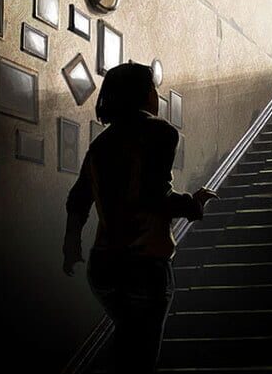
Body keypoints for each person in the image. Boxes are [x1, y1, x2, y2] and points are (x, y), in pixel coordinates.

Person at [62, 62, 216, 373]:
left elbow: (78, 199)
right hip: (144, 266)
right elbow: (154, 195)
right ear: (146, 94)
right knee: (142, 358)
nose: (157, 96)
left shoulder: (100, 144)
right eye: (154, 90)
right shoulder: (160, 132)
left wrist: (71, 245)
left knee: (126, 345)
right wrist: (193, 205)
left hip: (103, 268)